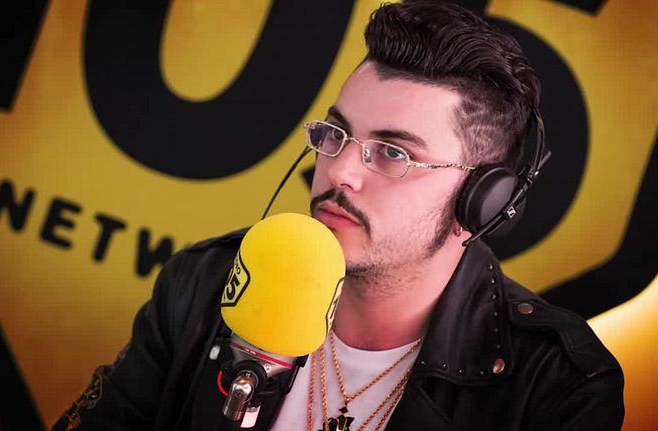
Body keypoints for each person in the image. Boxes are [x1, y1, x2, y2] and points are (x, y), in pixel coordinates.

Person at [53, 1, 624, 430]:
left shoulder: (555, 384)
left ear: (481, 203)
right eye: (337, 134)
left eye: (393, 153)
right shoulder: (202, 285)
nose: (339, 170)